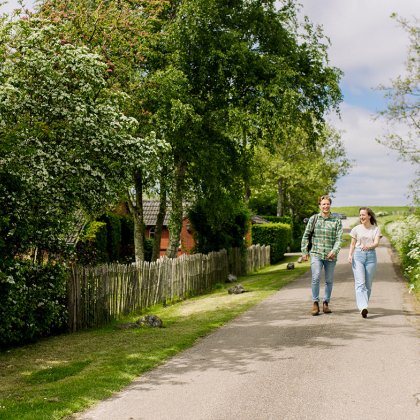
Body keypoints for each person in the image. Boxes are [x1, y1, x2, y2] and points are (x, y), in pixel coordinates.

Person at [301, 195, 343, 316]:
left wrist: (334, 251)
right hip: (316, 254)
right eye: (323, 204)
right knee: (316, 277)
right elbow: (306, 236)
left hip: (331, 256)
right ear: (319, 205)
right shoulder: (313, 219)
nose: (325, 206)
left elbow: (339, 239)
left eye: (327, 204)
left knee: (329, 280)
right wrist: (304, 252)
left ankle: (326, 303)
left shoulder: (336, 221)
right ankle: (315, 303)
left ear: (330, 205)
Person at [348, 207, 382, 318]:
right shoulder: (356, 229)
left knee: (368, 284)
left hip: (371, 256)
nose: (361, 217)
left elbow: (376, 243)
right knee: (360, 283)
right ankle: (363, 307)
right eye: (360, 215)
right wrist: (350, 255)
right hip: (358, 256)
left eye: (363, 215)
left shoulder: (375, 229)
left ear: (369, 216)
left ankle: (363, 306)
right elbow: (352, 244)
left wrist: (369, 246)